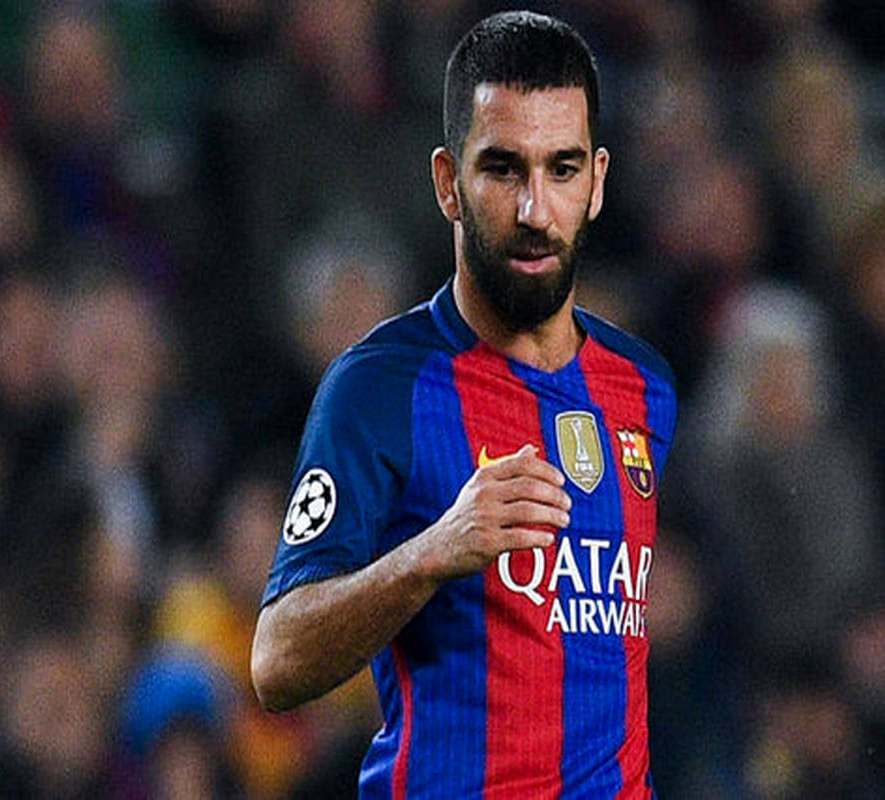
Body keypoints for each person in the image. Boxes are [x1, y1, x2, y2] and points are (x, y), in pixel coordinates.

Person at [251, 11, 677, 798]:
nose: (535, 210)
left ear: (598, 183)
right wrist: (431, 553)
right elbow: (277, 661)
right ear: (449, 182)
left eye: (562, 170)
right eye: (503, 169)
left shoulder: (644, 387)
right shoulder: (380, 386)